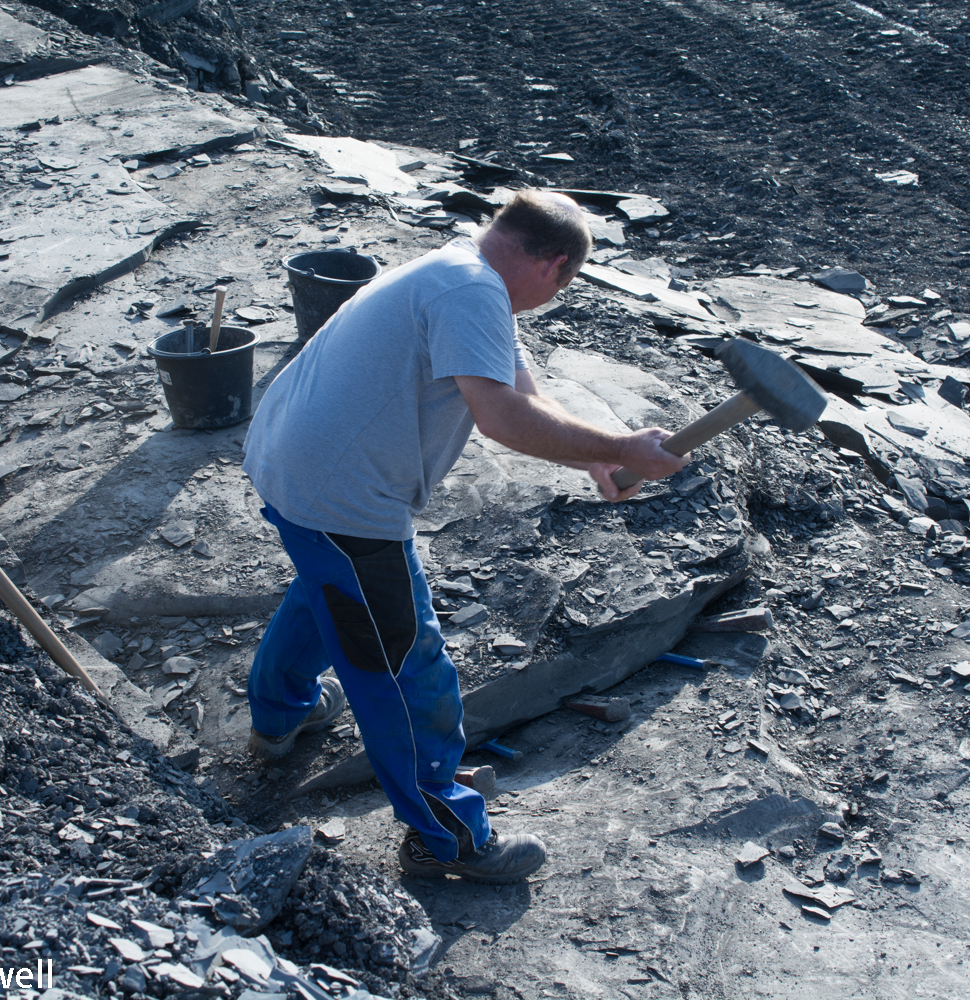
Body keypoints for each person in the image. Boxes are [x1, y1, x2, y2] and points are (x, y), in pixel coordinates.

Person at [240, 190, 688, 884]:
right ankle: (444, 839)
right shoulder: (473, 292)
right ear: (554, 267)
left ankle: (279, 717)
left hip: (290, 465)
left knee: (329, 588)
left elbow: (522, 389)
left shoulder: (460, 267)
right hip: (338, 494)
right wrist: (626, 440)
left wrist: (600, 455)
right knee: (403, 666)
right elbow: (503, 417)